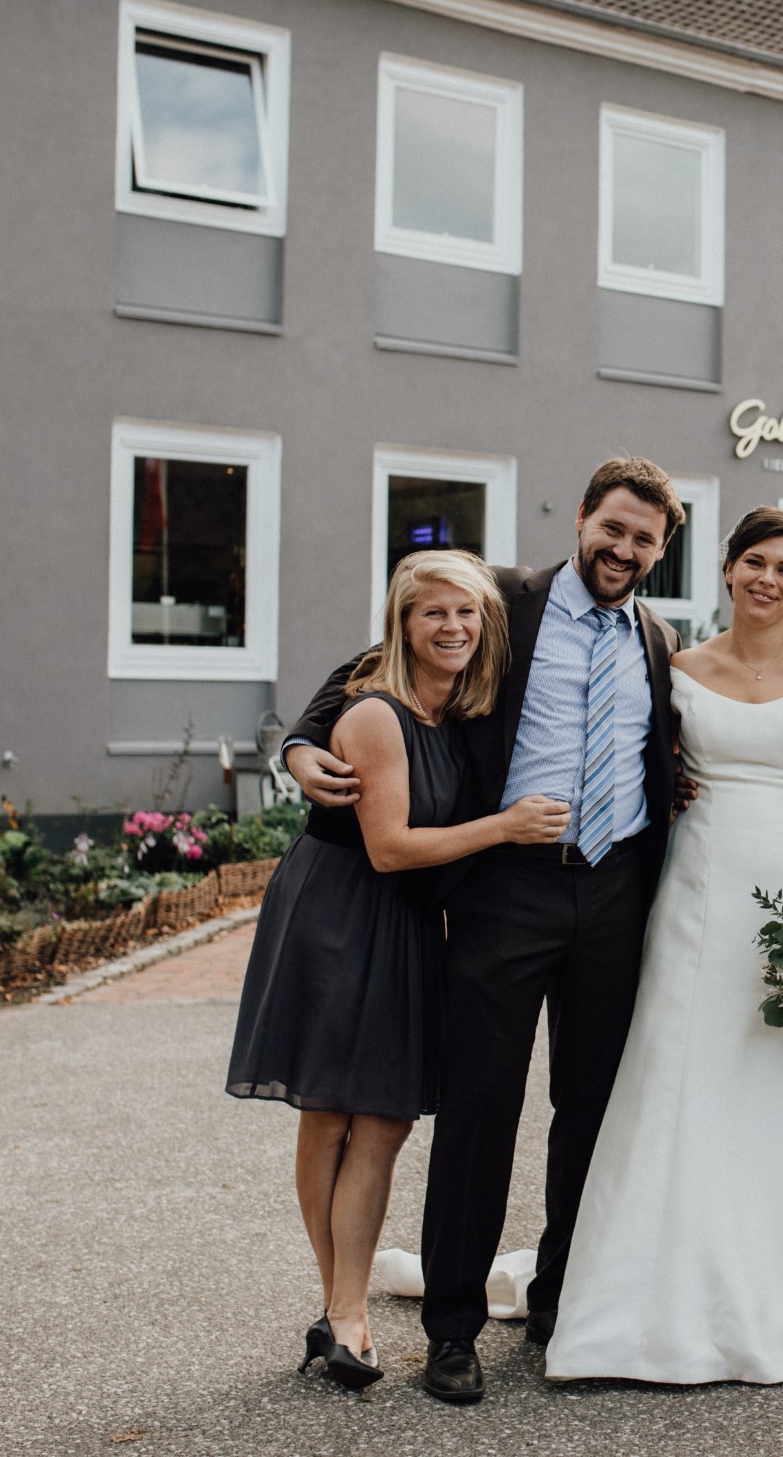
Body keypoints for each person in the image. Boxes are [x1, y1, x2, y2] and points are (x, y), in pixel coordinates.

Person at [282, 458, 685, 1404]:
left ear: (661, 549)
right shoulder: (502, 600)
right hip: (506, 888)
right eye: (612, 528)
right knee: (480, 1110)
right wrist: (299, 744)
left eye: (643, 539)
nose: (623, 549)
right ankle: (452, 1328)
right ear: (582, 518)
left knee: (589, 1109)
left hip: (616, 892)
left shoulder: (660, 638)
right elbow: (376, 660)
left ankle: (560, 1301)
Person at [546, 508, 783, 1384]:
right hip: (694, 891)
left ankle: (778, 1278)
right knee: (678, 1069)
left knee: (777, 1079)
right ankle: (646, 1285)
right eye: (754, 561)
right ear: (728, 568)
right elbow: (644, 766)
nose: (768, 579)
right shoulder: (678, 668)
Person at [228, 549, 562, 1391]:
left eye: (465, 612)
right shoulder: (378, 711)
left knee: (382, 1122)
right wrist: (505, 827)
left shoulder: (460, 706)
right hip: (341, 912)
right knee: (329, 1114)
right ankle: (345, 1311)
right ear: (402, 624)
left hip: (410, 923)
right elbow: (388, 848)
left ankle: (342, 1310)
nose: (452, 626)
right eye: (432, 613)